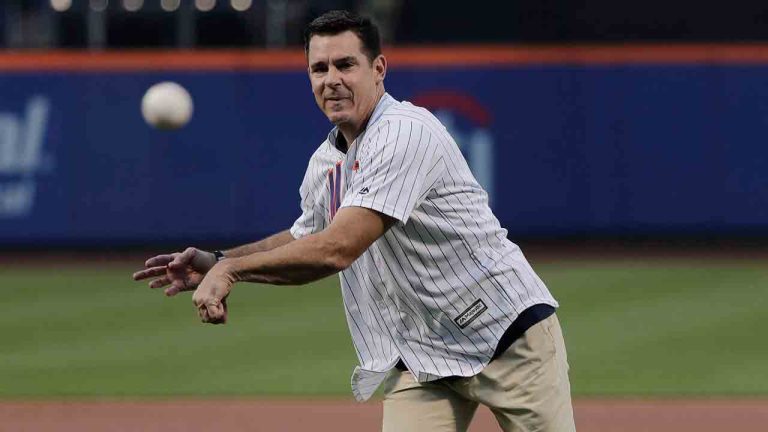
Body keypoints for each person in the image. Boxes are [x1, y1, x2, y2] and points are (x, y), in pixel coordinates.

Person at [132, 10, 575, 432]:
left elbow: (337, 248)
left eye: (346, 64)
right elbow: (307, 240)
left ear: (379, 69)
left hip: (507, 338)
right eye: (319, 68)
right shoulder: (327, 161)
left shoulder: (405, 132)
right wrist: (220, 259)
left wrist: (232, 271)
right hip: (422, 356)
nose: (332, 80)